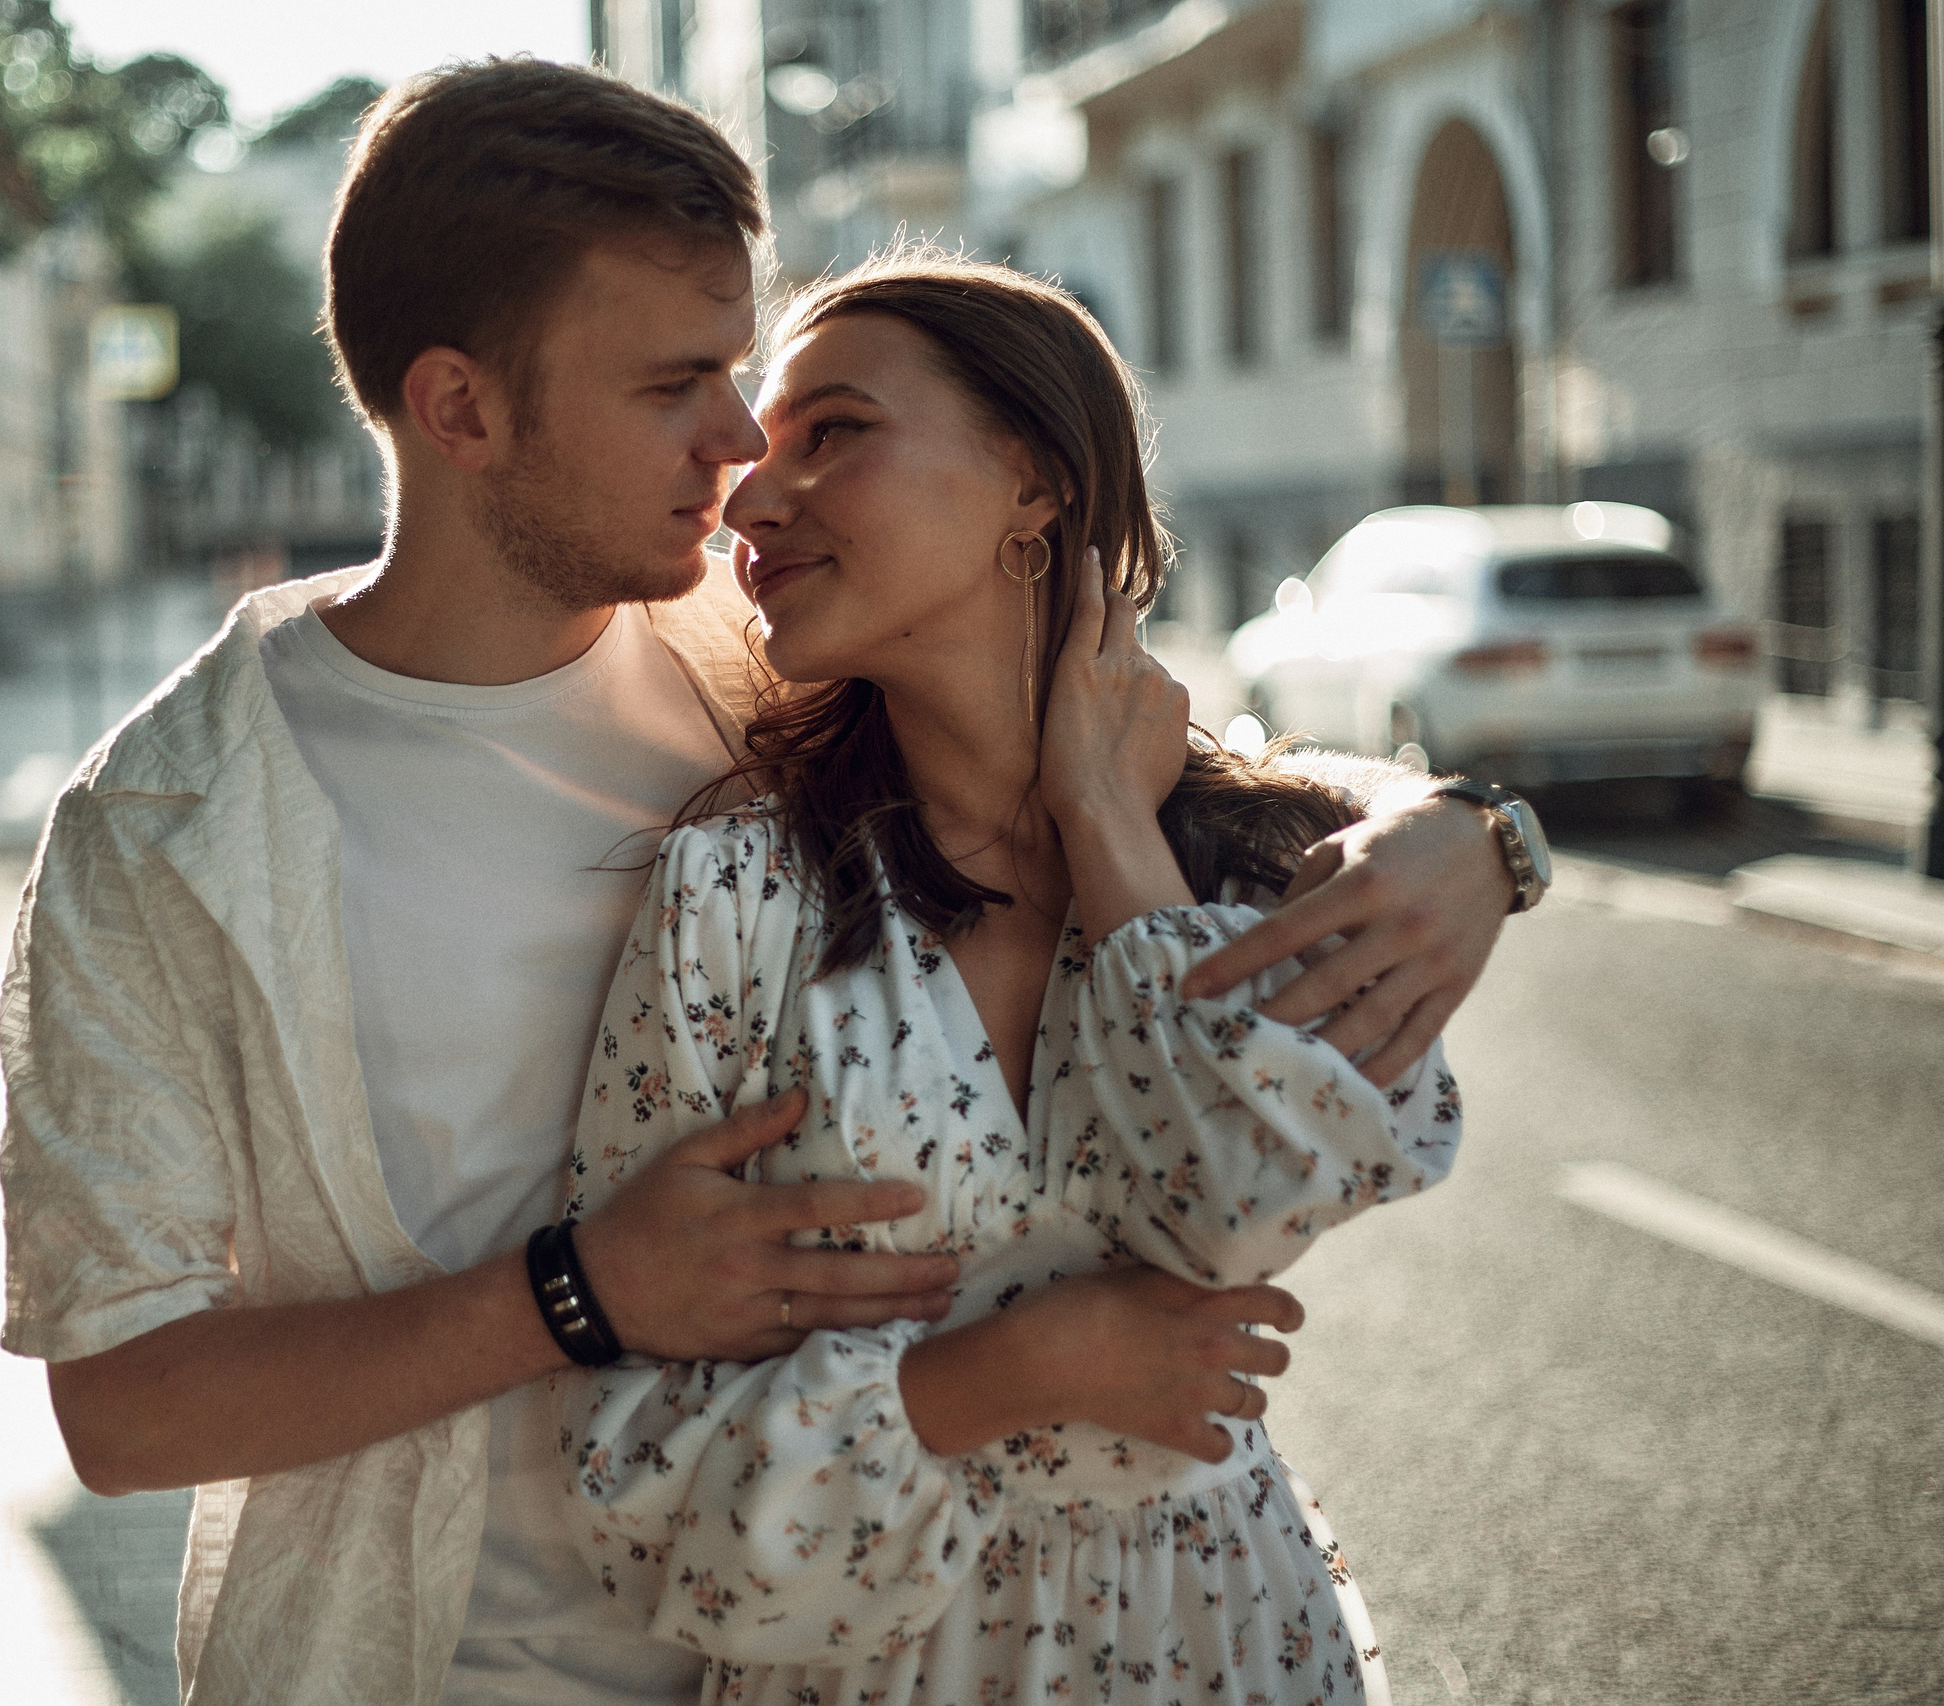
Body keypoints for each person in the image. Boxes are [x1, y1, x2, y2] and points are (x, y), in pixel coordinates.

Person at [0, 60, 1520, 1706]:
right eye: (679, 386)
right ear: (461, 410)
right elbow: (124, 1405)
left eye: (752, 377)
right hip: (445, 1665)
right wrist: (576, 1295)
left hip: (837, 1654)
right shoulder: (168, 828)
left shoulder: (767, 657)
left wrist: (1474, 832)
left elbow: (1123, 744)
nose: (740, 449)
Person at [550, 257, 1490, 1705]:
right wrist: (1007, 1372)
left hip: (1222, 1644)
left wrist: (1108, 827)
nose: (749, 498)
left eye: (834, 431)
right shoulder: (736, 894)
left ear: (1034, 483)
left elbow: (1234, 1207)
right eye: (763, 447)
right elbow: (631, 1474)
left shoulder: (1264, 864)